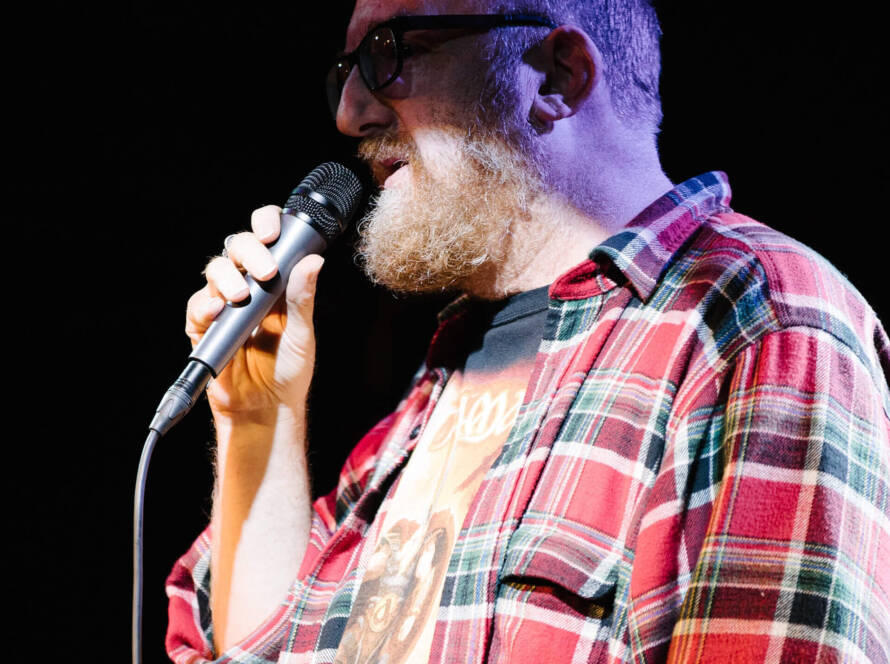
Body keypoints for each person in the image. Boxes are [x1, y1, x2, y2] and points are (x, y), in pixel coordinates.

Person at [165, 0, 890, 662]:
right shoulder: (433, 391)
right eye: (347, 71)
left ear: (556, 76)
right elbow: (253, 647)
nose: (351, 112)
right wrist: (257, 420)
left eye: (390, 52)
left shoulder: (757, 320)